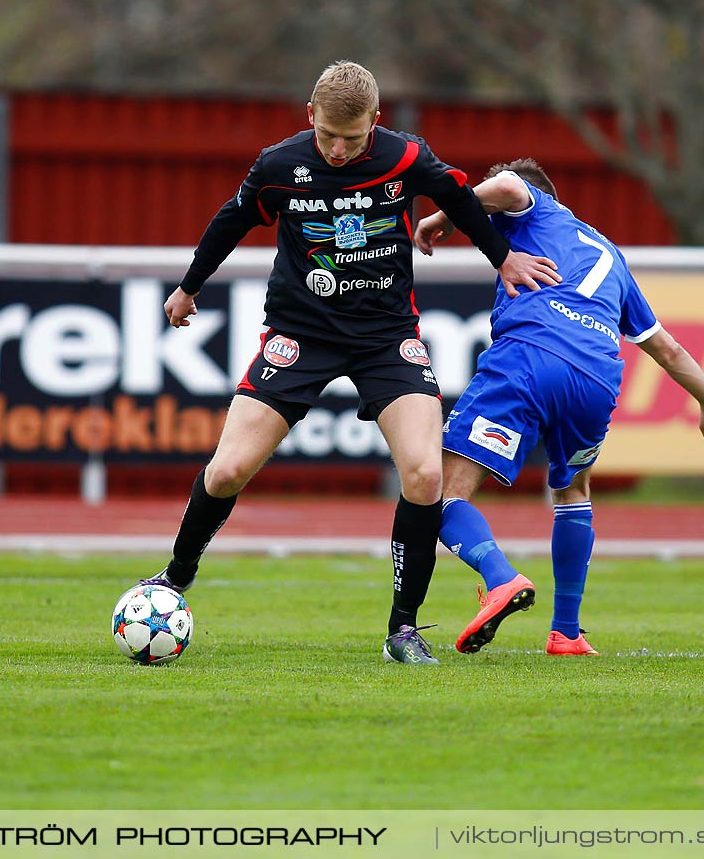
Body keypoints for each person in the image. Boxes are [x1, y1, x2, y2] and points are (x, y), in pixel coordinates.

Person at [146, 62, 560, 664]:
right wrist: (189, 287)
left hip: (386, 336)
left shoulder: (405, 157)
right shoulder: (279, 165)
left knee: (424, 476)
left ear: (376, 123)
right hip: (300, 333)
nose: (339, 151)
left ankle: (403, 631)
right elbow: (231, 220)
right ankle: (174, 579)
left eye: (354, 137)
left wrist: (503, 259)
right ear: (309, 116)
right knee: (226, 471)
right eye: (329, 136)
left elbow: (457, 200)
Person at [413, 159, 704, 656]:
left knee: (440, 490)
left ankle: (500, 578)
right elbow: (665, 348)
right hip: (597, 380)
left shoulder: (533, 208)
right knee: (573, 489)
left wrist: (446, 215)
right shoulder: (612, 258)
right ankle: (566, 632)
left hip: (530, 357)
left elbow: (502, 186)